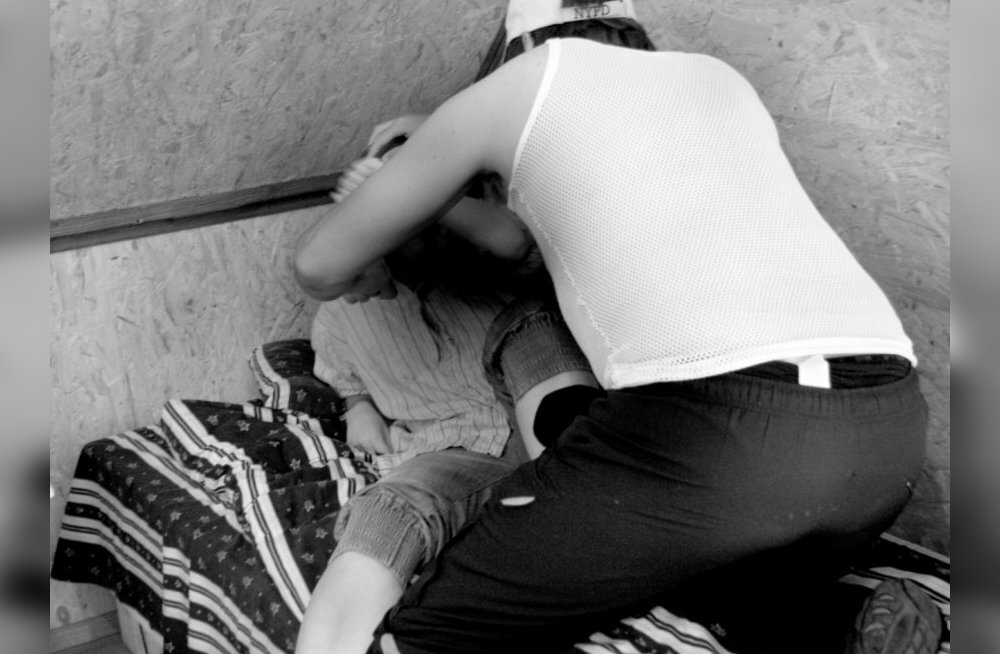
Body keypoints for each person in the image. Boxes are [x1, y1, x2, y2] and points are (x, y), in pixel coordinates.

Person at [293, 1, 933, 652]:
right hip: (884, 432)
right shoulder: (716, 79)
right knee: (718, 579)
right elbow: (517, 242)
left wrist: (413, 158)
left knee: (432, 631)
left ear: (520, 46)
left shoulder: (520, 83)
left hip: (719, 429)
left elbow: (318, 266)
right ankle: (838, 622)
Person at [295, 138, 552, 654]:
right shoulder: (337, 320)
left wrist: (403, 187)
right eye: (340, 288)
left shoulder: (471, 263)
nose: (352, 295)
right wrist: (358, 406)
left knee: (535, 334)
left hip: (549, 427)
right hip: (457, 457)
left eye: (356, 276)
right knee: (390, 508)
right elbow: (346, 379)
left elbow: (518, 246)